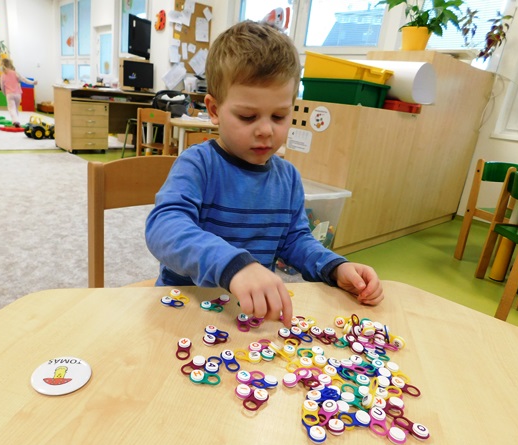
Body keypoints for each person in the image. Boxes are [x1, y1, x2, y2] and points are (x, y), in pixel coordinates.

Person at [145, 21, 384, 326]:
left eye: (280, 116)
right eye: (248, 116)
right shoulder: (198, 164)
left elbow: (295, 240)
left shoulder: (288, 178)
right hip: (186, 309)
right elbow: (164, 227)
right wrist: (233, 265)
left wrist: (334, 267)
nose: (266, 130)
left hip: (249, 318)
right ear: (214, 110)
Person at [0, 58, 37, 128]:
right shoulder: (15, 73)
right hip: (18, 94)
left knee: (11, 109)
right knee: (16, 109)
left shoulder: (3, 75)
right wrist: (33, 82)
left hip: (9, 94)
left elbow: (2, 86)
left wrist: (5, 93)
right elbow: (24, 80)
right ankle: (16, 121)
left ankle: (15, 121)